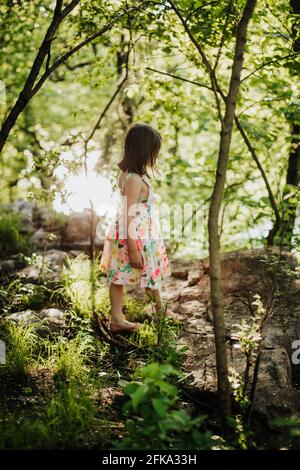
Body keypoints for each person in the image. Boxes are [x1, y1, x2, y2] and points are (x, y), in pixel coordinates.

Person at [100, 122, 179, 333]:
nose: (155, 156)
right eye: (153, 151)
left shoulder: (130, 175)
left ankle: (158, 308)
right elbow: (128, 215)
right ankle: (116, 319)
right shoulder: (134, 180)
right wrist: (133, 248)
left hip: (140, 234)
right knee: (119, 277)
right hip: (133, 236)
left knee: (148, 271)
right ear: (143, 150)